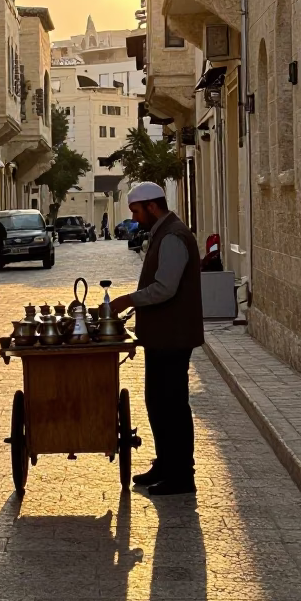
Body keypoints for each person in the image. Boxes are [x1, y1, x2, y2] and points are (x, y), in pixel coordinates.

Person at [110, 182, 203, 496]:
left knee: (173, 404)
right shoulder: (162, 233)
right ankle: (165, 463)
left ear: (151, 206)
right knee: (157, 402)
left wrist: (127, 300)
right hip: (162, 336)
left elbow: (165, 288)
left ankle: (182, 475)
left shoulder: (174, 236)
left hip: (173, 336)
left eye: (136, 211)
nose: (135, 219)